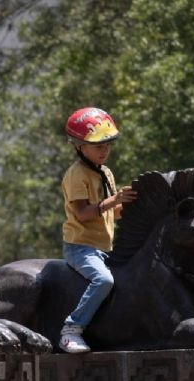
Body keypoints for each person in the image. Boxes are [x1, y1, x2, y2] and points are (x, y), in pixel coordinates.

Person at [59, 107, 137, 353]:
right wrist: (115, 200)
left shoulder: (106, 172)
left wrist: (134, 206)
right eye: (98, 146)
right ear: (80, 146)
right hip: (81, 247)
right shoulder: (76, 175)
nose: (105, 151)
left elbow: (111, 213)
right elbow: (82, 213)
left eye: (108, 145)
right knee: (103, 280)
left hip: (106, 248)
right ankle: (71, 330)